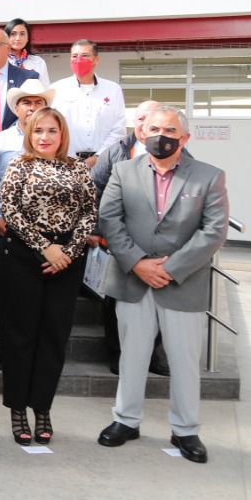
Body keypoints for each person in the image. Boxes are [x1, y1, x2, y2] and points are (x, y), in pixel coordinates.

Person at [97, 106, 228, 464]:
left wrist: (171, 268)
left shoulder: (209, 176)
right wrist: (138, 263)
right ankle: (126, 420)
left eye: (170, 130)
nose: (161, 136)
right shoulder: (123, 171)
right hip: (133, 279)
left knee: (184, 361)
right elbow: (110, 220)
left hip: (182, 283)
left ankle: (185, 429)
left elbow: (214, 231)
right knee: (132, 355)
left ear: (184, 138)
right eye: (154, 128)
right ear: (142, 133)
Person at [0, 107, 98, 445]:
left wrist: (66, 253)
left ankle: (42, 407)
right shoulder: (19, 165)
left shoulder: (78, 169)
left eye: (51, 131)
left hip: (66, 263)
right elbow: (9, 209)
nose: (44, 137)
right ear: (30, 134)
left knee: (54, 336)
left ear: (62, 134)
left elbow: (89, 213)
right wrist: (45, 247)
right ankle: (17, 409)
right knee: (20, 335)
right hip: (24, 259)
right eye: (39, 130)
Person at [92, 99, 173, 377]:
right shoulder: (116, 152)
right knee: (115, 299)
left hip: (159, 242)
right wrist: (95, 230)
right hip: (117, 240)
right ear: (134, 123)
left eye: (152, 119)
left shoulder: (176, 152)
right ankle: (117, 354)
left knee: (157, 299)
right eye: (140, 119)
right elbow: (94, 190)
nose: (145, 124)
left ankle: (152, 355)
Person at [0, 79, 55, 298]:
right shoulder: (0, 140)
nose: (32, 108)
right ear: (16, 108)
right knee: (11, 290)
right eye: (26, 102)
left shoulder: (57, 140)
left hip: (46, 228)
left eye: (38, 102)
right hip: (8, 226)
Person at [50, 39, 126, 165]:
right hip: (66, 161)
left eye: (85, 55)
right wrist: (68, 157)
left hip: (103, 163)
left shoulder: (113, 90)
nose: (79, 60)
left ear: (96, 60)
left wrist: (99, 157)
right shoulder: (57, 89)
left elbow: (118, 129)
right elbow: (51, 127)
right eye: (75, 56)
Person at [5, 17, 49, 84]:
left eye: (22, 34)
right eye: (13, 34)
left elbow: (44, 87)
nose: (18, 38)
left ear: (28, 38)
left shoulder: (38, 62)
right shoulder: (0, 61)